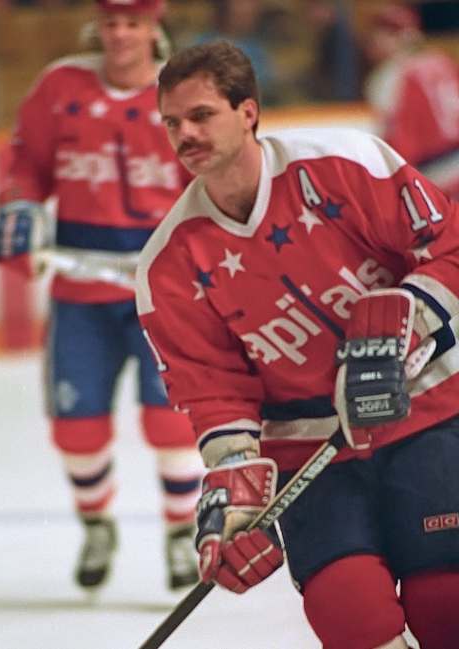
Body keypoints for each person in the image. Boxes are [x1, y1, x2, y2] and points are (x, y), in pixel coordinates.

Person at [135, 40, 459, 648]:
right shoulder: (168, 266)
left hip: (428, 415)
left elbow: (450, 246)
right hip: (313, 456)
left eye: (201, 115)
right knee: (349, 614)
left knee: (445, 602)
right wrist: (233, 494)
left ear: (248, 111)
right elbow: (215, 396)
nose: (184, 135)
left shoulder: (341, 164)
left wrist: (409, 315)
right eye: (172, 123)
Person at [0, 0, 204, 592]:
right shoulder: (61, 84)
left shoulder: (182, 91)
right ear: (98, 26)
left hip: (161, 290)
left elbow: (210, 178)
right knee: (76, 427)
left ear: (154, 27)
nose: (120, 34)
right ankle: (97, 523)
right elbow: (28, 164)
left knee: (171, 421)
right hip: (79, 288)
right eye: (111, 22)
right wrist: (21, 206)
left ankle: (179, 532)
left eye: (133, 22)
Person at [364, 2, 459, 199]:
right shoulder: (440, 60)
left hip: (432, 174)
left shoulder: (390, 76)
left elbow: (393, 138)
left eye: (379, 35)